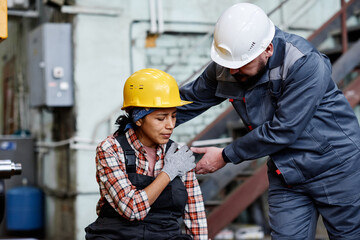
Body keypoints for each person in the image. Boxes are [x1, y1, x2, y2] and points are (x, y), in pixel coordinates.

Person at [176, 2, 360, 240]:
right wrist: (135, 123)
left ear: (268, 49)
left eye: (241, 66)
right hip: (288, 174)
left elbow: (284, 129)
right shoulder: (229, 66)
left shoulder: (304, 63)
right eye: (229, 65)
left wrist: (225, 155)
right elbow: (188, 100)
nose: (232, 72)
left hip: (336, 168)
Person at [85, 68, 208, 240]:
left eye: (173, 116)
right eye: (161, 118)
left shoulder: (178, 154)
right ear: (139, 118)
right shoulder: (110, 149)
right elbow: (132, 209)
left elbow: (195, 212)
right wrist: (168, 172)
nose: (170, 125)